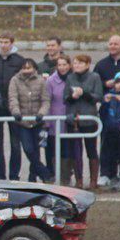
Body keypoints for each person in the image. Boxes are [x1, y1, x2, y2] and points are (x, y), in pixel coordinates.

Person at [0, 32, 25, 180]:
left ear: (12, 43)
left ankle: (14, 176)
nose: (3, 45)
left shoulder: (20, 60)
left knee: (15, 144)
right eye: (1, 42)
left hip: (14, 106)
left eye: (6, 42)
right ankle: (0, 176)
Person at [9, 59, 52, 183]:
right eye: (24, 68)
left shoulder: (40, 81)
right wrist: (16, 112)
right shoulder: (15, 80)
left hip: (37, 121)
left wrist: (41, 113)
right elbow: (13, 98)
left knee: (36, 150)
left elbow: (45, 100)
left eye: (29, 68)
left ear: (34, 68)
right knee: (28, 149)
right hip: (23, 122)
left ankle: (32, 178)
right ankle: (44, 172)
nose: (27, 70)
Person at [64, 54, 103, 189]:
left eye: (80, 63)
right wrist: (72, 96)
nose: (77, 65)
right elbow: (66, 98)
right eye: (75, 63)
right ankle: (78, 179)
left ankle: (93, 180)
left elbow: (98, 96)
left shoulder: (94, 77)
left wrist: (84, 93)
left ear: (87, 64)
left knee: (91, 149)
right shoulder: (70, 77)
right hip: (73, 119)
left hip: (89, 119)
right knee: (75, 151)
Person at [99, 72, 120, 190]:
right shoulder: (109, 95)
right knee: (108, 154)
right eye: (118, 83)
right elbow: (102, 113)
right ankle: (110, 176)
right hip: (109, 129)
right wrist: (105, 103)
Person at [46, 55, 73, 185]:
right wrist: (47, 122)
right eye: (59, 65)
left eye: (64, 64)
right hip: (55, 121)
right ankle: (57, 177)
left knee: (69, 150)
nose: (62, 67)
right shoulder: (51, 81)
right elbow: (47, 101)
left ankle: (66, 178)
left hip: (70, 120)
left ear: (69, 65)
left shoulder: (73, 78)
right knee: (55, 150)